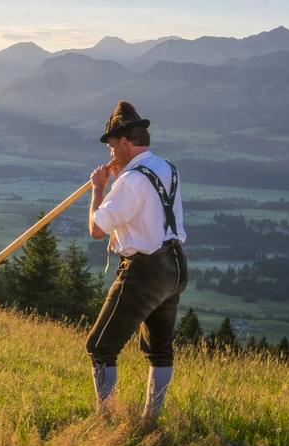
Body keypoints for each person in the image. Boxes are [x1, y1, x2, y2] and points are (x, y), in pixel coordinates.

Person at [86, 100, 188, 421]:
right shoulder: (166, 167)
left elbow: (97, 230)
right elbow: (143, 208)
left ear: (127, 142)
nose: (111, 155)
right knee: (160, 350)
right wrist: (120, 176)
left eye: (113, 147)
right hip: (174, 266)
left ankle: (107, 422)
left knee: (100, 348)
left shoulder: (129, 181)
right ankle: (149, 422)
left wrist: (98, 190)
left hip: (144, 271)